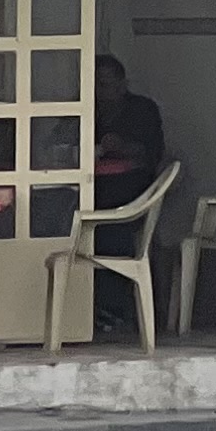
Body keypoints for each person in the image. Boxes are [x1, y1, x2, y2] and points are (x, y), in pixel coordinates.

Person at [90, 55, 169, 337]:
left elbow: (152, 151)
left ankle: (112, 309)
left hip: (131, 191)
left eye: (105, 85)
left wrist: (121, 146)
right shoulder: (84, 109)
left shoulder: (142, 109)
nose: (100, 92)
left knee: (111, 231)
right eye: (94, 85)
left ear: (122, 84)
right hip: (91, 189)